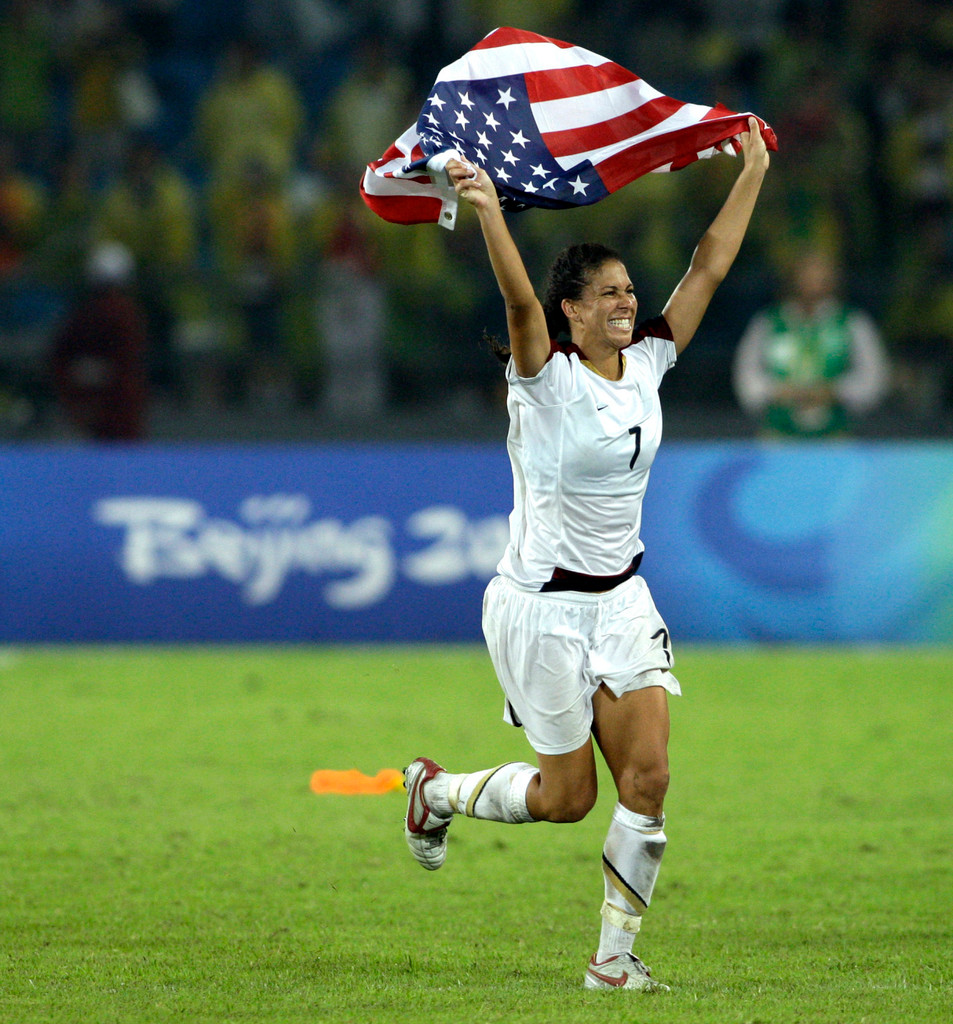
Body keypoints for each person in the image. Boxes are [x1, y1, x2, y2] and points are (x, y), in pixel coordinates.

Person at [403, 118, 769, 992]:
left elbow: (708, 266)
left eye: (628, 290)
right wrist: (488, 210)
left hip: (622, 602)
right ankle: (437, 792)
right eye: (605, 293)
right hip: (539, 610)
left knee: (647, 780)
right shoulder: (543, 377)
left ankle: (612, 964)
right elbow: (519, 307)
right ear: (572, 310)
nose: (624, 302)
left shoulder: (645, 363)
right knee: (567, 800)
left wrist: (750, 166)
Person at [732, 247, 890, 437]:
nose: (812, 281)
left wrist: (834, 391)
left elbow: (873, 380)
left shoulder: (852, 323)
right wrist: (778, 391)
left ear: (833, 279)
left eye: (820, 274)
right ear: (792, 277)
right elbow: (746, 378)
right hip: (778, 438)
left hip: (835, 439)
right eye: (806, 273)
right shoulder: (768, 322)